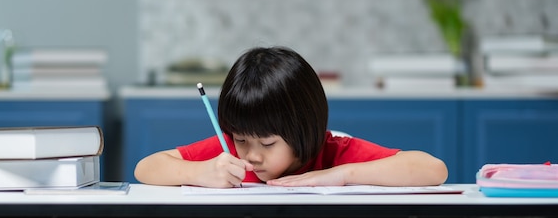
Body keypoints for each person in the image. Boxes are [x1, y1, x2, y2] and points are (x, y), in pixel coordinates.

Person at [134, 46, 448, 188]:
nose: (251, 155)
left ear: (303, 130)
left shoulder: (333, 151)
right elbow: (145, 168)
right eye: (242, 139)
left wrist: (342, 174)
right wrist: (199, 173)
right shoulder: (229, 151)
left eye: (268, 143)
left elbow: (433, 169)